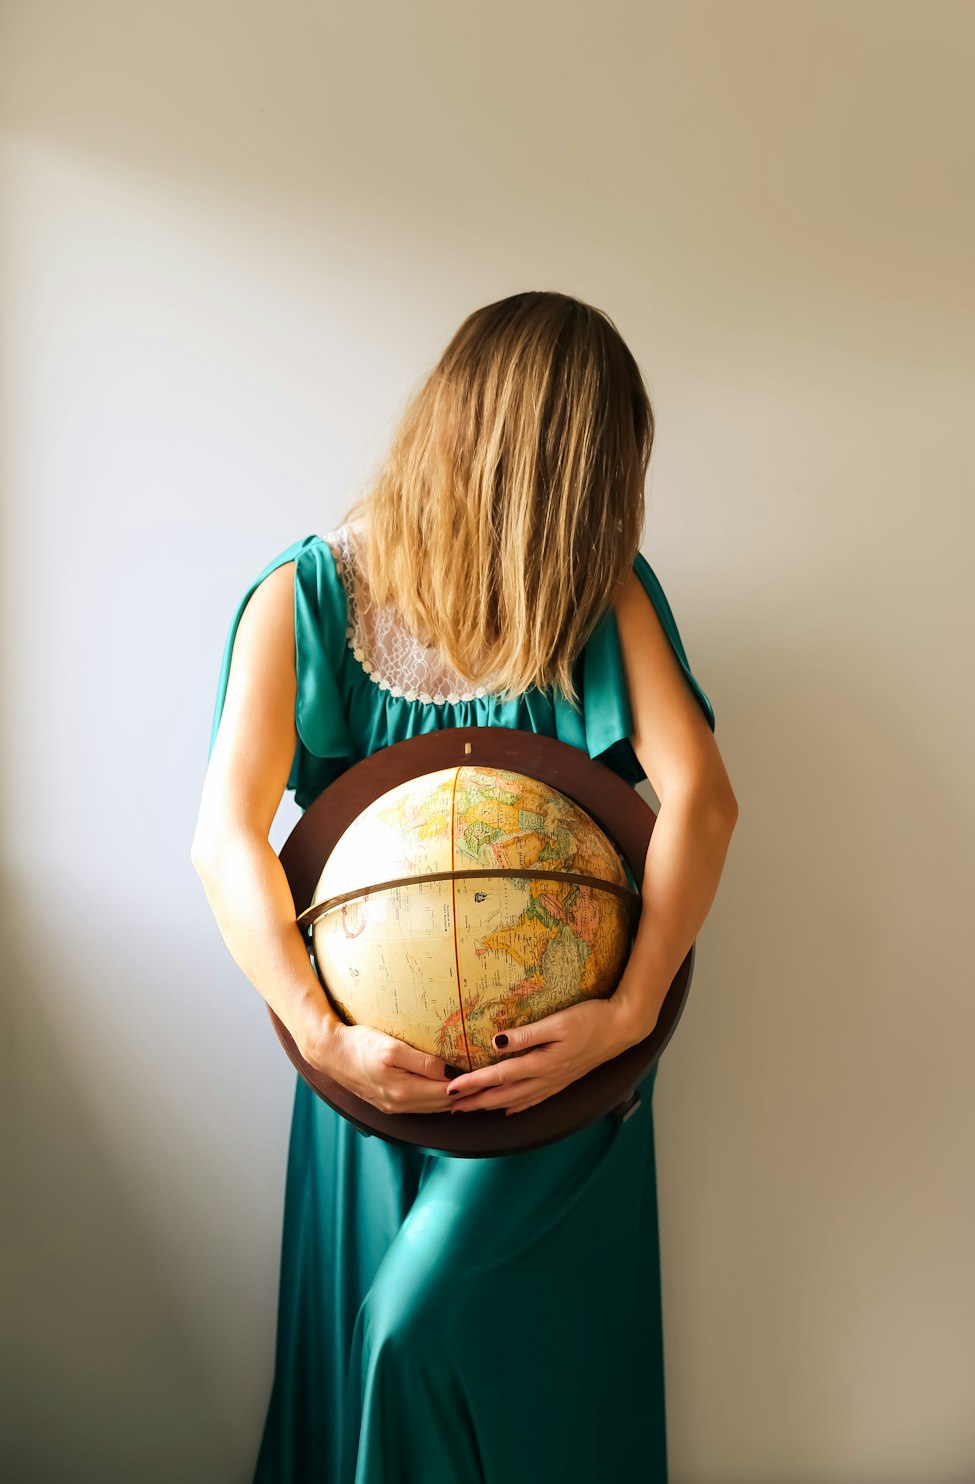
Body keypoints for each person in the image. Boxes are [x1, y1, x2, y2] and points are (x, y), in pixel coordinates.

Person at [191, 290, 739, 1483]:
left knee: (419, 1333)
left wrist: (630, 1012)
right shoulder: (306, 599)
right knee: (381, 1352)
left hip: (557, 1085)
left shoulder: (601, 595)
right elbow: (222, 839)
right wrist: (321, 1035)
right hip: (369, 1085)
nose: (603, 518)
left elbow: (701, 800)